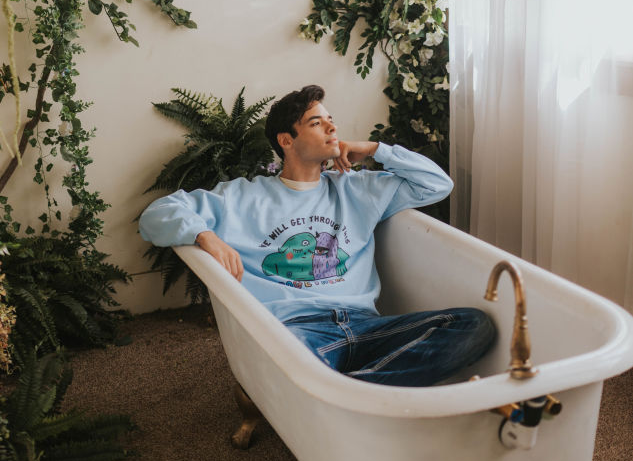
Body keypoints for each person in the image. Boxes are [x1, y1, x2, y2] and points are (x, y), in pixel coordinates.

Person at [139, 85, 495, 386]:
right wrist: (205, 235)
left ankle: (352, 390)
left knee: (472, 326)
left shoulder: (356, 189)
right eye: (316, 122)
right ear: (286, 141)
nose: (331, 127)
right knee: (290, 364)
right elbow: (156, 214)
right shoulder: (241, 198)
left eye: (330, 120)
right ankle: (362, 392)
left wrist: (374, 149)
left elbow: (437, 184)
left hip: (366, 326)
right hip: (296, 331)